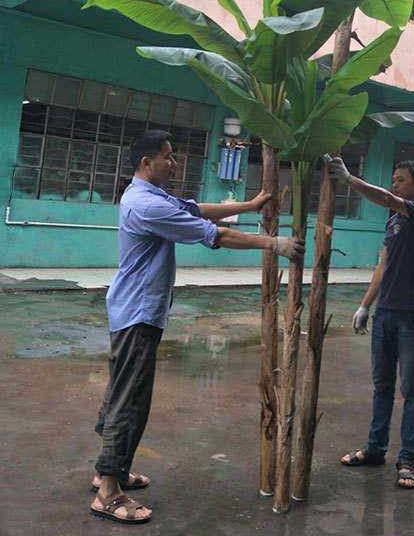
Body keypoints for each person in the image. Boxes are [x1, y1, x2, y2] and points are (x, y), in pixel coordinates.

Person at [90, 130, 304, 524]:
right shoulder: (146, 205)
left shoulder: (148, 194)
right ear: (146, 163)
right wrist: (273, 244)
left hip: (134, 309)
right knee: (130, 400)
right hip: (138, 313)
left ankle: (109, 470)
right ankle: (108, 491)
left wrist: (252, 203)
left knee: (122, 391)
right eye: (168, 158)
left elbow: (196, 209)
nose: (174, 163)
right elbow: (215, 235)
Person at [325, 156, 414, 490]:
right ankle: (375, 449)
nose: (395, 184)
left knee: (411, 392)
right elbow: (382, 266)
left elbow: (387, 199)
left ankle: (407, 460)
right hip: (385, 314)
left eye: (401, 179)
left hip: (412, 316)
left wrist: (350, 179)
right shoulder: (394, 222)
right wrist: (364, 305)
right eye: (393, 179)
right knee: (382, 387)